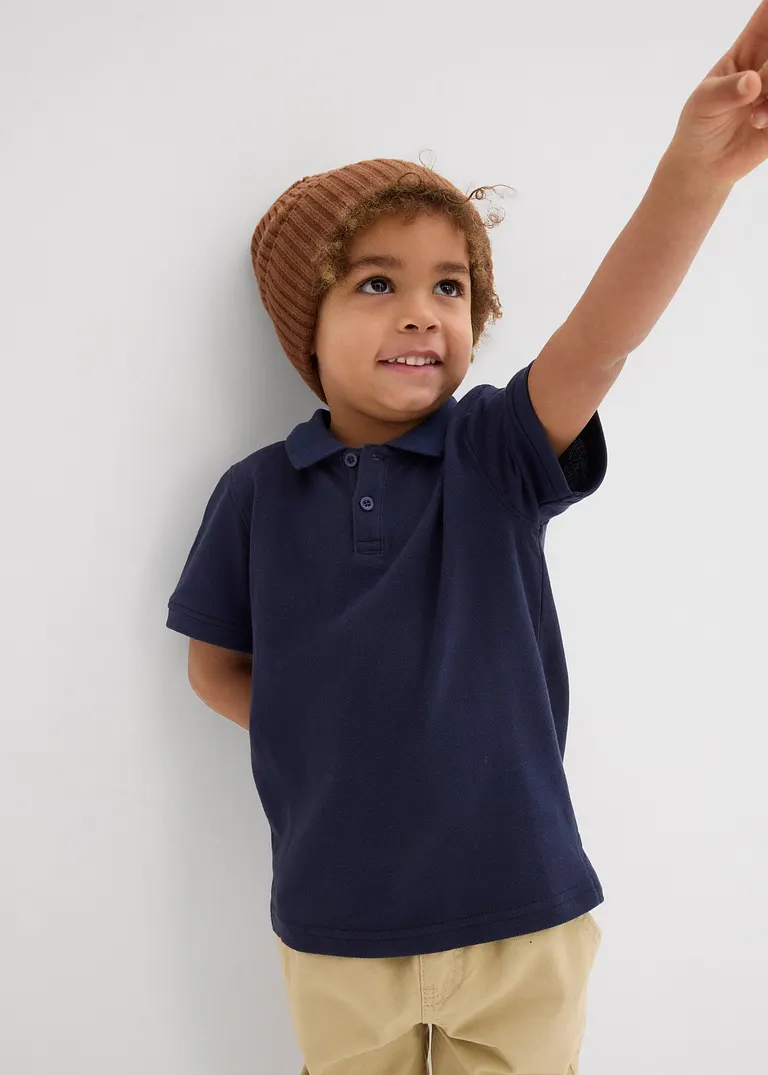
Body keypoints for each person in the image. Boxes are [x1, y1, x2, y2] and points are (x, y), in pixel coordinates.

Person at [166, 7, 768, 1070]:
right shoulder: (257, 493)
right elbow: (214, 663)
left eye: (449, 285)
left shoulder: (493, 453)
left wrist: (697, 174)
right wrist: (327, 712)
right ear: (302, 324)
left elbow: (605, 336)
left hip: (525, 913)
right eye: (376, 282)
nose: (420, 312)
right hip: (335, 926)